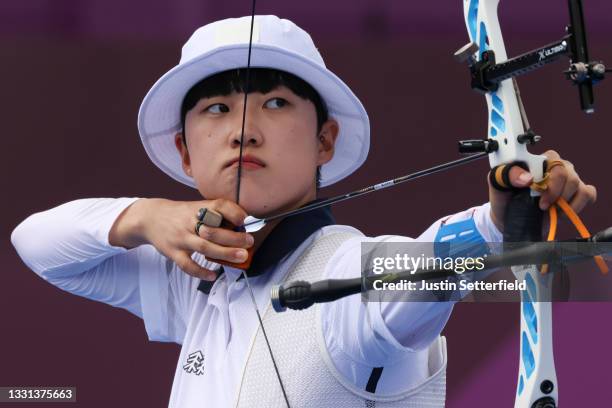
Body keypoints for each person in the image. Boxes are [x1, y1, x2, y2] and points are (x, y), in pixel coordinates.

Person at [11, 15, 596, 407]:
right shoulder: (195, 276)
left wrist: (501, 221)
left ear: (324, 141)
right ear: (186, 153)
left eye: (274, 102)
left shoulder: (343, 277)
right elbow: (35, 243)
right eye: (216, 108)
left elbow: (420, 268)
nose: (243, 130)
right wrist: (145, 215)